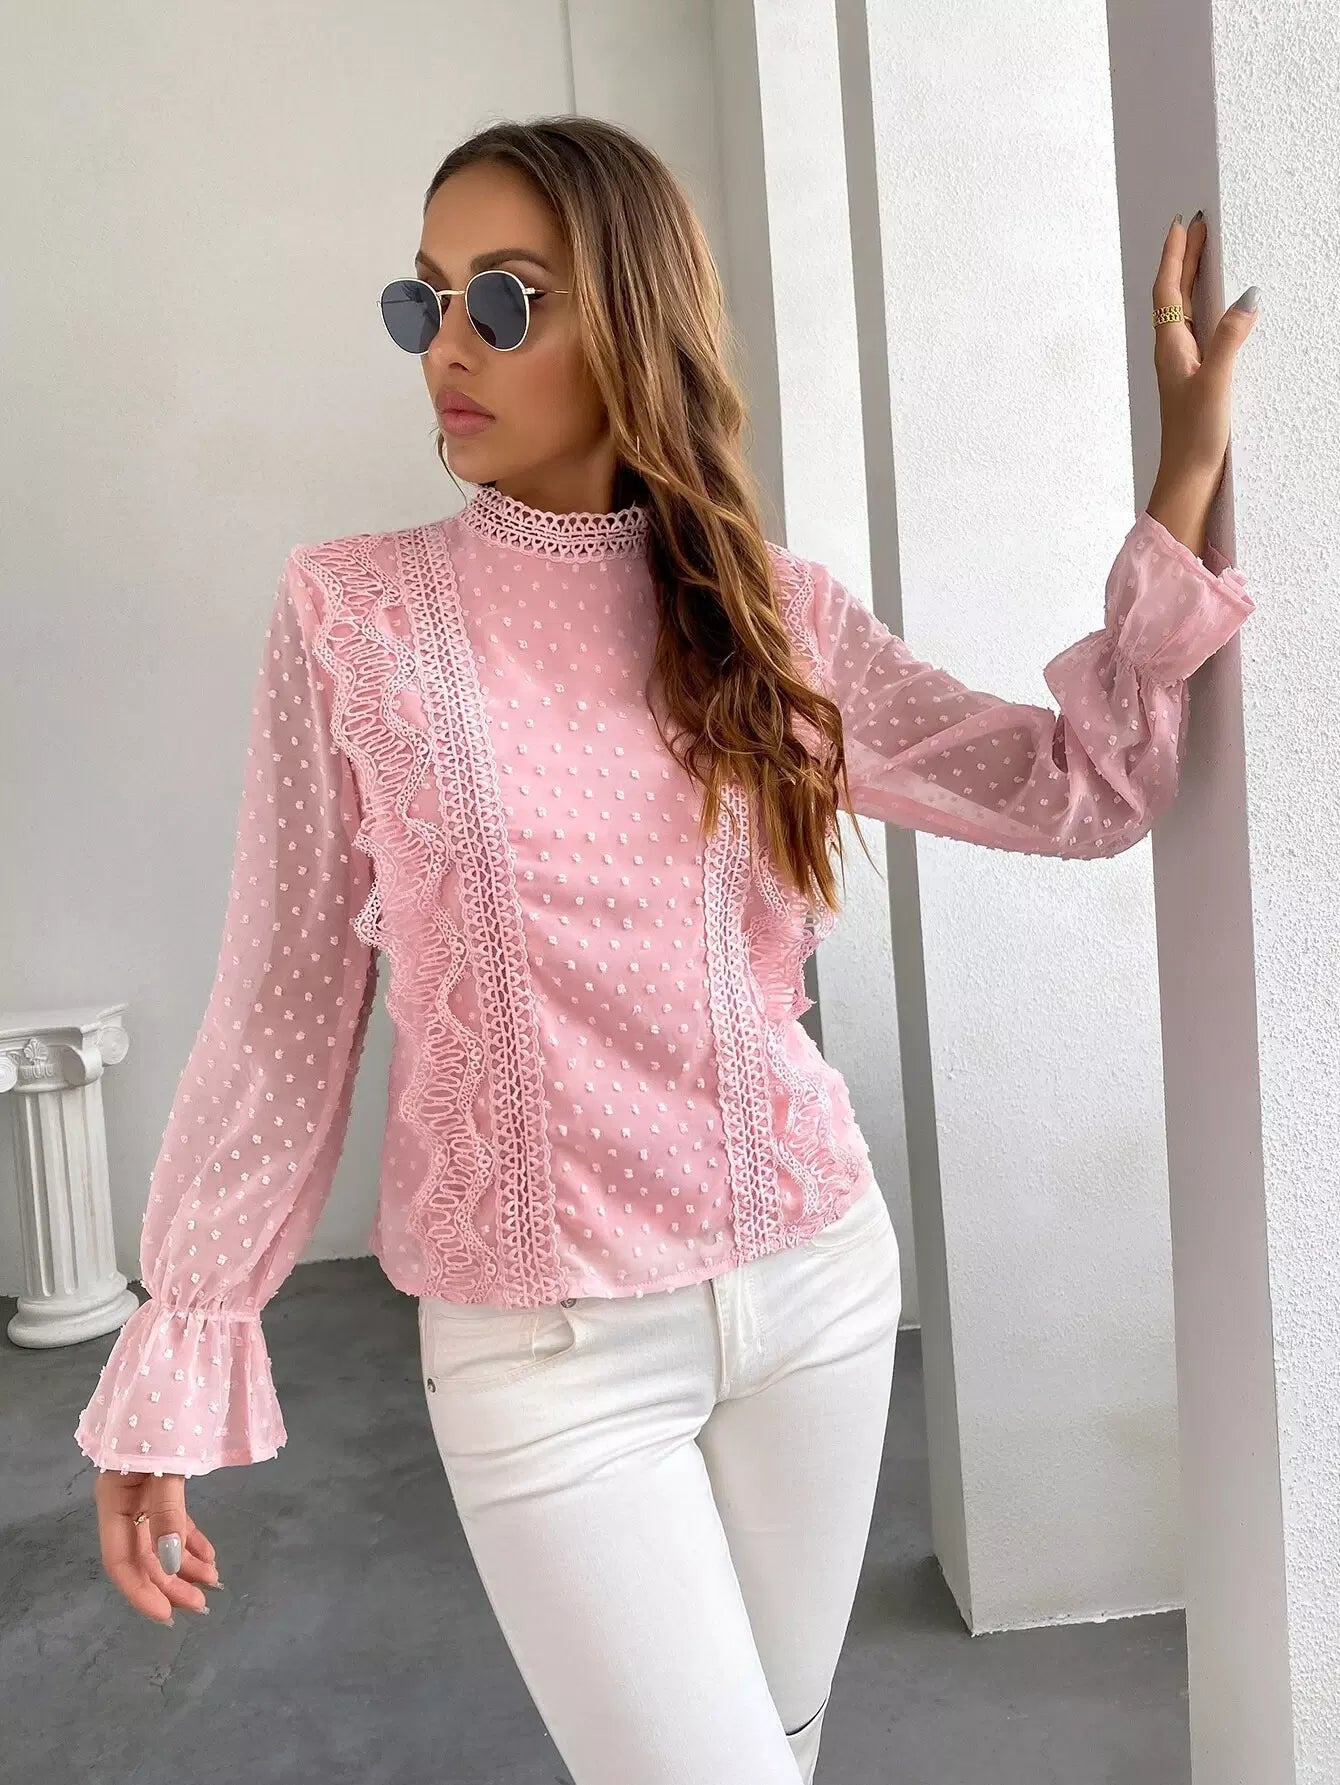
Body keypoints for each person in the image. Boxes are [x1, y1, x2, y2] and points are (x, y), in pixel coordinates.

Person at [76, 116, 1257, 1785]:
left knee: (779, 1749)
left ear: (632, 318)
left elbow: (1077, 787)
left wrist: (1184, 481)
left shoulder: (773, 614)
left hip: (816, 1291)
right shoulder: (356, 616)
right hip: (543, 1356)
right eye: (424, 303)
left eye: (505, 299)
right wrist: (180, 1346)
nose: (450, 349)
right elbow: (282, 1008)